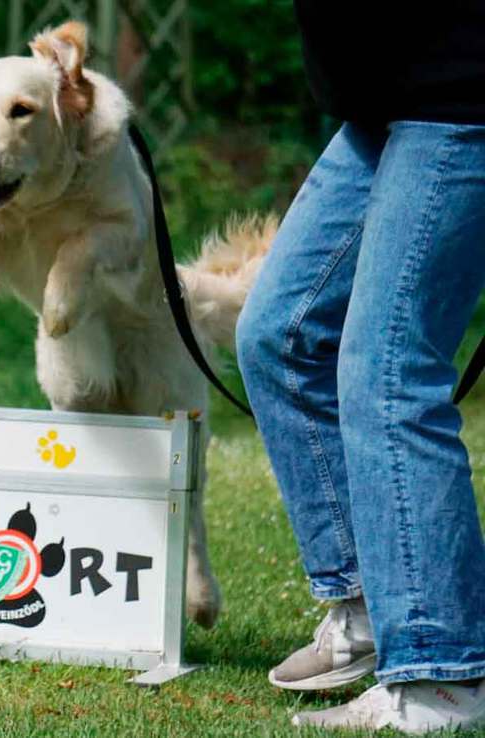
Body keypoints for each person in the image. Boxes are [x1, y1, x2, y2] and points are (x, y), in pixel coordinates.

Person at [236, 2, 485, 732]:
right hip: (380, 105)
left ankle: (443, 676)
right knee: (279, 336)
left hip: (461, 95)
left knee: (387, 374)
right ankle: (374, 607)